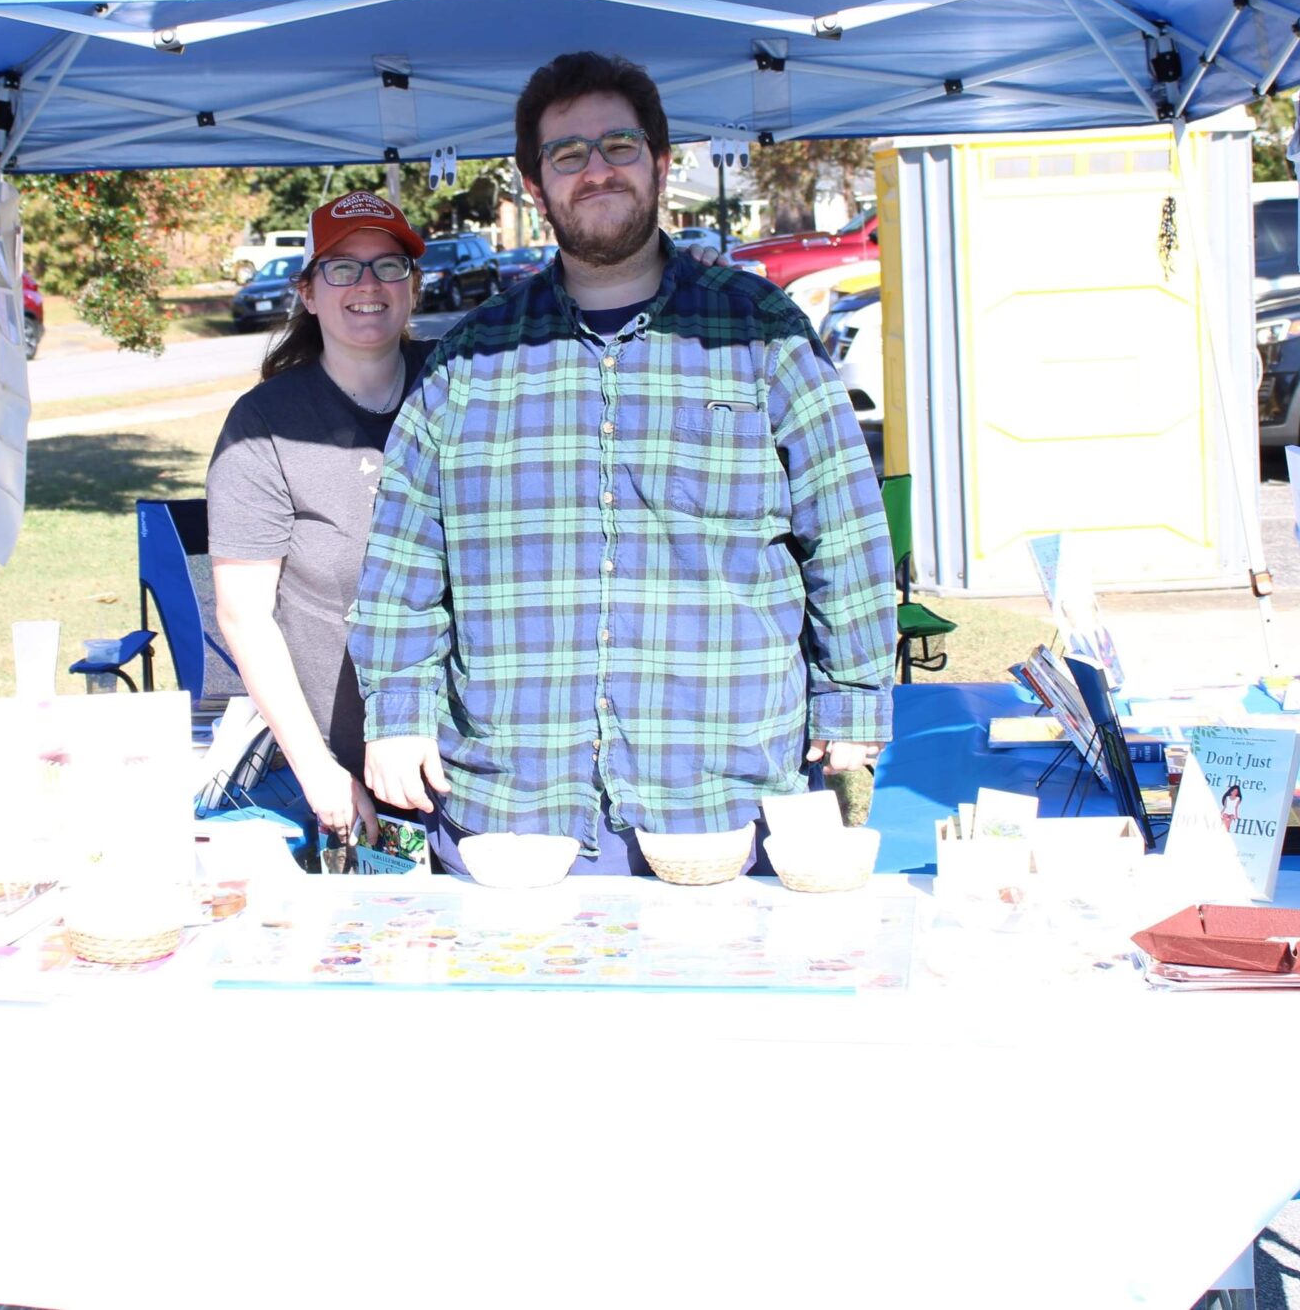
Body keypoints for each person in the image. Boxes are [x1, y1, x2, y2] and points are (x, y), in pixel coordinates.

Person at [351, 51, 897, 874]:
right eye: (567, 156)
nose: (595, 171)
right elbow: (403, 555)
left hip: (718, 794)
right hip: (512, 808)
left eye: (618, 146)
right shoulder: (471, 361)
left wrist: (853, 693)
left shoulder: (761, 334)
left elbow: (845, 525)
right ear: (536, 187)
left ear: (662, 163)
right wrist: (396, 711)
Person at [207, 193, 435, 844]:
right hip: (350, 763)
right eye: (342, 267)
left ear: (413, 286)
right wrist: (319, 769)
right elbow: (242, 614)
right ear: (307, 291)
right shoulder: (264, 425)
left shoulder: (459, 385)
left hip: (477, 756)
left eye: (389, 265)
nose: (368, 285)